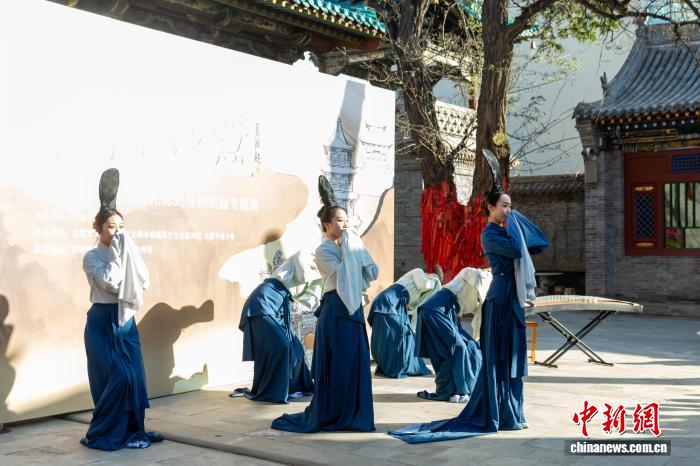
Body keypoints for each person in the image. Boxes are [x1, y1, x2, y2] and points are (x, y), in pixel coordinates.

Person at [389, 149, 548, 443]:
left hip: (511, 300)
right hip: (499, 300)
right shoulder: (491, 234)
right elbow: (518, 249)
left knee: (513, 359)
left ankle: (512, 414)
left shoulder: (509, 229)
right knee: (498, 359)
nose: (508, 211)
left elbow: (539, 242)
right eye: (504, 206)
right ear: (490, 207)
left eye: (511, 206)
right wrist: (513, 223)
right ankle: (496, 412)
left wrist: (515, 217)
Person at [272, 176, 378, 432]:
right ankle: (334, 413)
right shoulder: (324, 250)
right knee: (340, 364)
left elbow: (371, 272)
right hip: (336, 311)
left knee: (356, 363)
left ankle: (354, 414)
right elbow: (345, 278)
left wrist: (354, 245)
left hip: (353, 311)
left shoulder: (349, 246)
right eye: (339, 220)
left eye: (346, 220)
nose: (346, 225)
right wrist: (352, 245)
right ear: (326, 225)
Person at [81, 168, 162, 450]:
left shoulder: (128, 251)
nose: (117, 233)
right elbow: (112, 282)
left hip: (125, 321)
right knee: (113, 377)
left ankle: (133, 431)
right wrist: (118, 252)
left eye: (121, 227)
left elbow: (143, 281)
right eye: (112, 227)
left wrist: (126, 252)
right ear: (97, 229)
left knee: (134, 377)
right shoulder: (91, 257)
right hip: (101, 322)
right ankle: (106, 432)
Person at [233, 251, 321, 403]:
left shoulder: (320, 274)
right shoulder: (302, 255)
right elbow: (302, 276)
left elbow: (308, 300)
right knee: (282, 346)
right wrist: (321, 272)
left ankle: (294, 387)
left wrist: (322, 279)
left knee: (296, 348)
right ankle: (274, 391)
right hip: (263, 301)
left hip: (279, 306)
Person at [413, 267, 490, 402]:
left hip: (448, 313)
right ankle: (461, 390)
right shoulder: (468, 274)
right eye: (487, 271)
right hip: (435, 310)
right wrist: (490, 276)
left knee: (472, 346)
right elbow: (477, 275)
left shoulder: (472, 293)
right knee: (458, 347)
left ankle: (464, 387)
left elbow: (477, 307)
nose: (488, 273)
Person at [368, 268, 439, 378]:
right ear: (428, 273)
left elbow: (415, 304)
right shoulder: (418, 271)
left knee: (397, 335)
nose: (433, 279)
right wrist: (435, 281)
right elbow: (424, 285)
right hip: (389, 301)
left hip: (395, 304)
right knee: (393, 334)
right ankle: (394, 367)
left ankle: (396, 366)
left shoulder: (415, 289)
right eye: (432, 276)